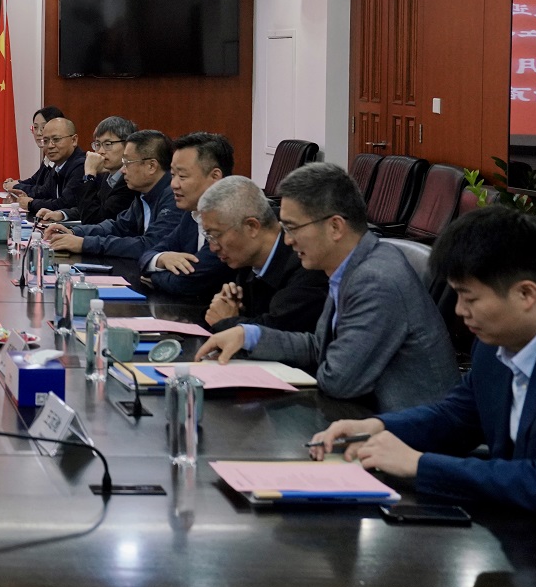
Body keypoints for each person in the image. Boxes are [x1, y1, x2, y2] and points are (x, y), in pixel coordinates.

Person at [309, 206, 536, 515]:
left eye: (470, 298)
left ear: (526, 294)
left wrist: (419, 465)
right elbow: (456, 418)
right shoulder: (493, 347)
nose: (459, 310)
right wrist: (378, 427)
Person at [194, 162, 458, 412]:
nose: (287, 240)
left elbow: (338, 380)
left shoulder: (375, 280)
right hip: (364, 416)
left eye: (293, 228)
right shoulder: (350, 266)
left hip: (404, 431)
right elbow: (319, 346)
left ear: (335, 227)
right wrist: (247, 335)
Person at [196, 175, 326, 332]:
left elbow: (279, 332)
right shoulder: (247, 259)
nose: (213, 247)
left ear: (252, 226)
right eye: (209, 238)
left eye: (216, 235)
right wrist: (223, 305)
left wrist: (227, 322)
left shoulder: (306, 262)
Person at [43, 129, 182, 258]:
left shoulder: (174, 196)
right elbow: (118, 226)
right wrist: (75, 232)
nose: (123, 170)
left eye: (127, 162)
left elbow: (149, 245)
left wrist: (84, 244)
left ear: (151, 166)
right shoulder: (143, 194)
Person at [138, 132, 234, 302]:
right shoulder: (192, 214)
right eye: (173, 175)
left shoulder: (229, 220)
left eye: (182, 176)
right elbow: (148, 254)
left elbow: (187, 283)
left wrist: (153, 276)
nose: (173, 184)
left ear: (215, 177)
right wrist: (161, 259)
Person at [35, 115, 135, 226]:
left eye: (108, 144)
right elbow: (92, 208)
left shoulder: (130, 182)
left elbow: (94, 219)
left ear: (127, 146)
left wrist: (89, 175)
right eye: (97, 144)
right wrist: (62, 214)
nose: (100, 151)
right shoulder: (107, 175)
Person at [9, 117, 83, 214]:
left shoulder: (81, 166)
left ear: (74, 140)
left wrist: (31, 203)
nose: (50, 146)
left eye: (56, 139)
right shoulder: (58, 165)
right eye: (46, 141)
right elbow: (45, 193)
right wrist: (25, 195)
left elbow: (65, 204)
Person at [1, 105, 64, 196]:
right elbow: (35, 180)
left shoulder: (61, 158)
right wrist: (16, 183)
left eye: (43, 128)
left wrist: (16, 186)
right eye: (35, 127)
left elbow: (45, 191)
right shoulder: (48, 157)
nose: (38, 133)